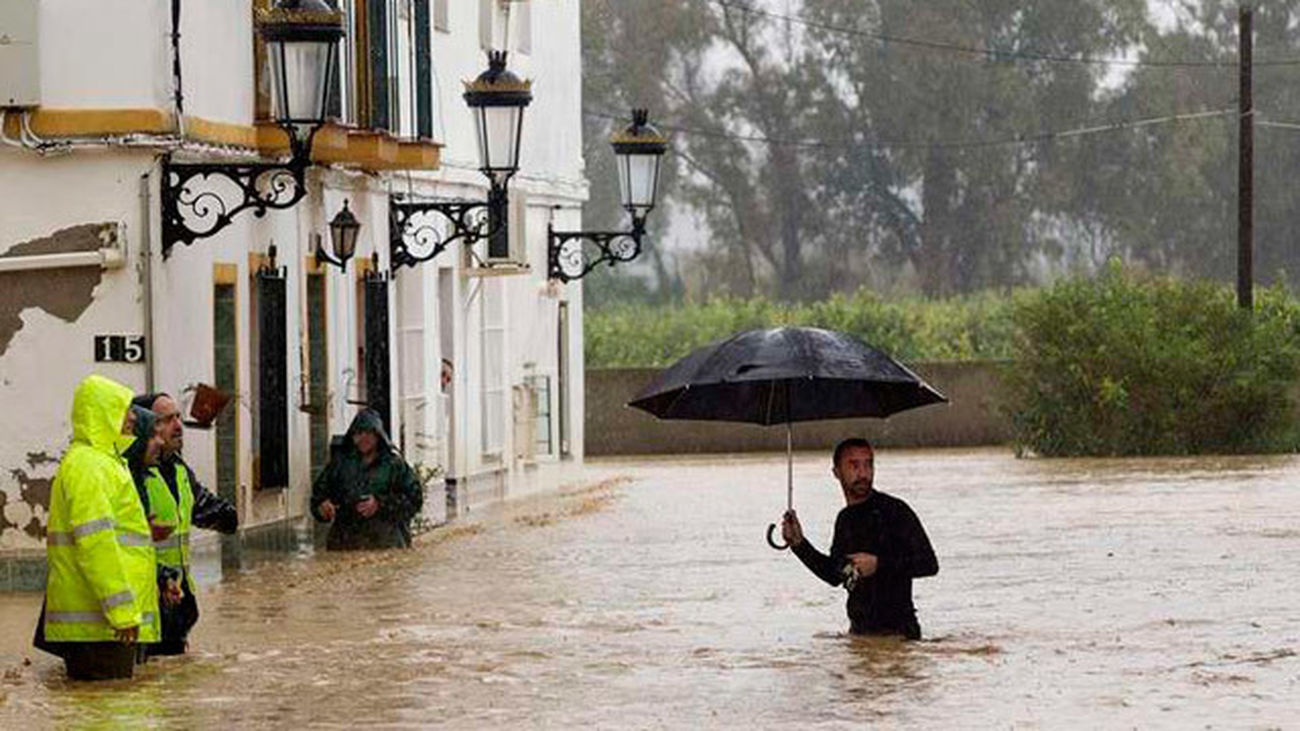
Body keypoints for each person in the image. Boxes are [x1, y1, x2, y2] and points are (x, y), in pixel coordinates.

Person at [33, 375, 164, 679]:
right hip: (100, 626)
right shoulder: (90, 466)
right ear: (104, 413)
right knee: (111, 716)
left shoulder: (103, 462)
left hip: (102, 625)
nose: (133, 417)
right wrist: (121, 612)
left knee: (108, 711)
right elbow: (96, 543)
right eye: (124, 409)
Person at [782, 438, 938, 640]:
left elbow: (928, 564)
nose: (863, 473)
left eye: (868, 464)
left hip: (898, 636)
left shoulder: (895, 510)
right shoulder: (844, 519)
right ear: (837, 472)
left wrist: (879, 565)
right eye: (854, 465)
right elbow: (835, 574)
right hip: (859, 635)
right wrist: (799, 544)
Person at [129, 392, 239, 657]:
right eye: (165, 420)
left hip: (177, 602)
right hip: (145, 601)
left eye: (178, 417)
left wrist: (231, 516)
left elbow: (202, 506)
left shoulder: (179, 470)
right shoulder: (133, 475)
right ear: (144, 428)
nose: (178, 426)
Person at [310, 409, 423, 550]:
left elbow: (415, 499)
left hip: (387, 544)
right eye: (358, 433)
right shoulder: (340, 464)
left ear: (378, 435)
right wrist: (322, 507)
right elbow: (318, 496)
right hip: (345, 543)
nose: (363, 438)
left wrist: (380, 504)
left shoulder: (394, 465)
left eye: (368, 433)